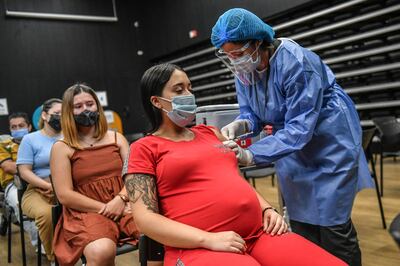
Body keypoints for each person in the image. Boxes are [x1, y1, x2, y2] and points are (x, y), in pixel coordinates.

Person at [124, 63, 346, 266]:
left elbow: (234, 179)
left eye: (190, 88)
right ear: (156, 101)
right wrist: (208, 239)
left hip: (259, 234)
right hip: (198, 246)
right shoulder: (144, 148)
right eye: (179, 90)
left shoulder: (210, 133)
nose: (189, 95)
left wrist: (266, 208)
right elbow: (145, 219)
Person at [211, 8, 374, 266]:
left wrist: (252, 154)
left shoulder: (297, 62)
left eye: (239, 53)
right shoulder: (244, 70)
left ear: (257, 43)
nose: (235, 61)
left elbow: (300, 129)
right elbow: (252, 112)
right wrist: (242, 124)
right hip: (289, 145)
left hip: (328, 141)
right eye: (228, 55)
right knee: (301, 223)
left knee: (332, 226)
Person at [51, 83, 139, 266]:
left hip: (125, 202)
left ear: (97, 106)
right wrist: (107, 208)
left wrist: (121, 200)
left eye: (90, 104)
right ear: (69, 111)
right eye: (78, 106)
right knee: (102, 251)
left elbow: (134, 175)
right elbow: (64, 195)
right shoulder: (62, 147)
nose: (86, 109)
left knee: (158, 235)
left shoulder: (117, 138)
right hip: (87, 210)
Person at [16, 98, 62, 263]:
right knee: (47, 214)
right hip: (37, 190)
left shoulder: (71, 137)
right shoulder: (30, 139)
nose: (61, 117)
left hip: (66, 188)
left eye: (64, 114)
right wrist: (47, 186)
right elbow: (24, 171)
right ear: (44, 115)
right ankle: (54, 258)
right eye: (56, 114)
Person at [0, 112, 38, 248]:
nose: (17, 129)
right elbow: (8, 167)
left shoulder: (38, 141)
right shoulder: (3, 144)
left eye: (21, 126)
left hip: (40, 182)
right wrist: (33, 168)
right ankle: (40, 245)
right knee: (20, 203)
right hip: (14, 184)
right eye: (13, 127)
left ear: (29, 127)